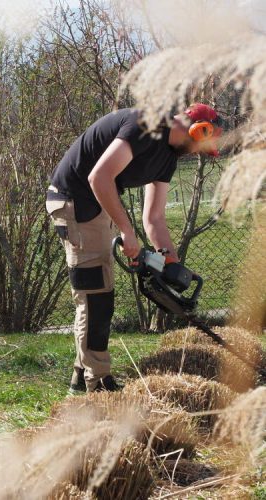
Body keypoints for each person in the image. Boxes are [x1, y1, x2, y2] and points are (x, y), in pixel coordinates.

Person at [46, 103, 223, 394]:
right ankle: (98, 382)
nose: (196, 153)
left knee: (100, 292)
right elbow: (98, 177)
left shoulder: (168, 158)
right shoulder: (146, 123)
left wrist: (172, 264)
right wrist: (127, 231)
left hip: (98, 203)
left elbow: (154, 218)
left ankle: (82, 375)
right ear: (197, 129)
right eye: (201, 145)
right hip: (74, 200)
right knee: (96, 296)